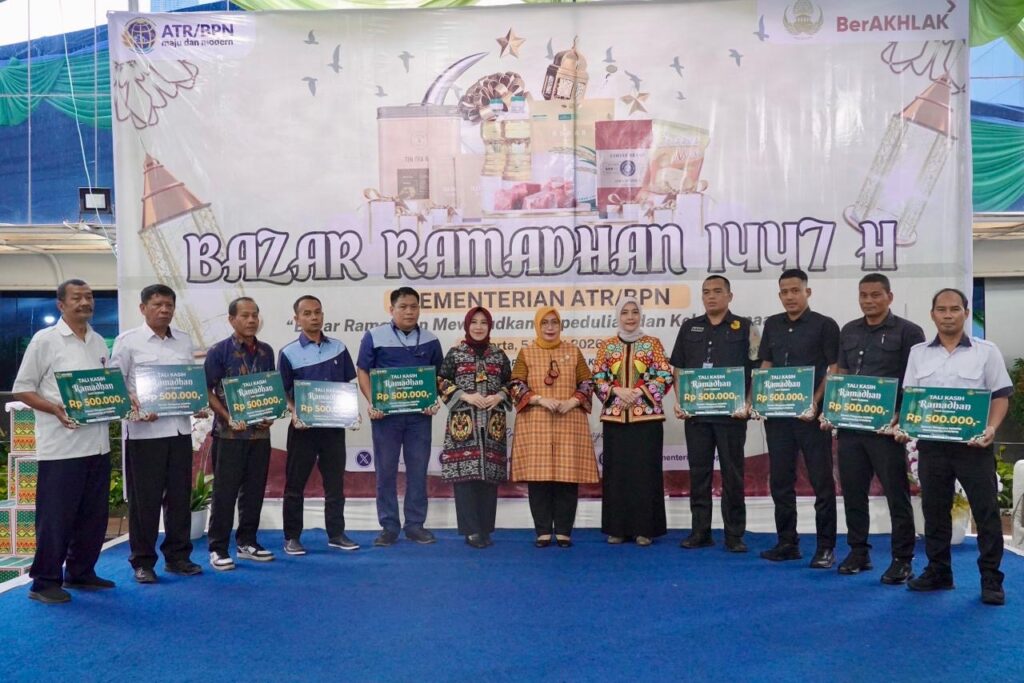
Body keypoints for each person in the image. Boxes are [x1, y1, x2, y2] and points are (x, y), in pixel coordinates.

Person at [898, 288, 1013, 606]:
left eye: (954, 309)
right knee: (934, 512)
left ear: (965, 312)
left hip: (973, 447)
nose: (948, 315)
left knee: (986, 512)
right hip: (932, 446)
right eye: (941, 309)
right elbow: (912, 400)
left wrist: (991, 428)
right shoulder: (919, 353)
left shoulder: (986, 351)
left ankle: (991, 579)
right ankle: (939, 572)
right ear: (932, 314)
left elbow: (1001, 397)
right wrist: (905, 427)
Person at [12, 279, 116, 604]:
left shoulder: (98, 341)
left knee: (92, 517)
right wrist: (55, 409)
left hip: (98, 445)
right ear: (61, 305)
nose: (85, 302)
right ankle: (43, 582)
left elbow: (104, 388)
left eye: (89, 297)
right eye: (76, 298)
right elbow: (22, 388)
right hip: (61, 448)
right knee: (55, 519)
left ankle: (81, 572)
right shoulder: (45, 340)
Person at [820, 274, 924, 583]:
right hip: (851, 428)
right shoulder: (849, 330)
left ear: (889, 297)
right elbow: (842, 373)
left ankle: (902, 559)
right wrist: (832, 410)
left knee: (896, 495)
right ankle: (858, 552)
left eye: (876, 295)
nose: (869, 300)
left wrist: (901, 416)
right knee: (853, 494)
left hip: (887, 430)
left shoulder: (908, 332)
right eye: (863, 295)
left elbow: (915, 380)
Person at [110, 284, 204, 584]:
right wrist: (134, 404)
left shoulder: (183, 340)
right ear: (143, 308)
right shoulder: (128, 341)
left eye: (169, 305)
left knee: (179, 498)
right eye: (157, 304)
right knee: (145, 502)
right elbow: (116, 385)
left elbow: (188, 383)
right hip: (144, 434)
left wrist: (197, 403)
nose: (164, 310)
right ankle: (143, 562)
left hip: (179, 430)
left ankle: (178, 557)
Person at [757, 268, 840, 568]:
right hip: (778, 417)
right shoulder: (772, 324)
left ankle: (826, 547)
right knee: (781, 480)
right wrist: (759, 399)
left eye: (796, 290)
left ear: (808, 292)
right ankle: (787, 542)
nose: (790, 296)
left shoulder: (825, 325)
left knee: (821, 482)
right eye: (785, 292)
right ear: (779, 295)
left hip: (811, 418)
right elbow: (766, 364)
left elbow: (834, 369)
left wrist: (814, 402)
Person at [669, 276, 758, 552]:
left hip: (732, 417)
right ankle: (700, 532)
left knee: (733, 475)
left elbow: (758, 370)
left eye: (718, 291)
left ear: (730, 296)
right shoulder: (689, 327)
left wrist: (748, 403)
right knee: (699, 474)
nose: (711, 296)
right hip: (697, 417)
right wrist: (681, 401)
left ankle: (734, 535)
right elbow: (679, 369)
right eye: (706, 292)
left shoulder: (745, 327)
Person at [356, 287, 444, 547]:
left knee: (418, 471)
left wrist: (433, 400)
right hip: (386, 418)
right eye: (403, 307)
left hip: (419, 418)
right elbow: (363, 371)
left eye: (414, 307)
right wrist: (373, 402)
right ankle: (389, 526)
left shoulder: (430, 339)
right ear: (391, 309)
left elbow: (438, 376)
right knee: (386, 472)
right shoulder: (374, 336)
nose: (409, 312)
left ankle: (415, 525)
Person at [509, 306, 599, 548]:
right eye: (545, 323)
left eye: (554, 322)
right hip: (536, 420)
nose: (550, 327)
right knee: (538, 479)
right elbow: (515, 384)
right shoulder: (527, 352)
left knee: (567, 477)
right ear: (537, 326)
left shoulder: (573, 351)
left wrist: (573, 401)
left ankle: (564, 531)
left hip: (569, 419)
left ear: (560, 326)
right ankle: (542, 531)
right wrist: (538, 399)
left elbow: (587, 382)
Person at [279, 295, 359, 555]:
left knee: (335, 484)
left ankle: (336, 534)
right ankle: (292, 537)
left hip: (333, 429)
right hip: (303, 430)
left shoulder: (339, 348)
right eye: (307, 313)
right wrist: (294, 412)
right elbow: (283, 392)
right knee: (295, 485)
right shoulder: (288, 353)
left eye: (317, 312)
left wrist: (352, 413)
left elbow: (347, 387)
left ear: (323, 315)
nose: (314, 317)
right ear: (297, 319)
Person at [203, 297, 278, 571]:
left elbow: (269, 390)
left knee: (254, 491)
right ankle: (218, 548)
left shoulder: (267, 351)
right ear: (231, 319)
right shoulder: (219, 351)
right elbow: (206, 390)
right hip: (229, 435)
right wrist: (228, 416)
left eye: (254, 315)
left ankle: (247, 542)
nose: (251, 320)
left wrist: (271, 414)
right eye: (245, 315)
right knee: (225, 493)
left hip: (260, 436)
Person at [593, 297, 674, 546]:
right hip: (616, 419)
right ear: (618, 315)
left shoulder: (652, 344)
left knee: (644, 473)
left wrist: (638, 392)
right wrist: (617, 391)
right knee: (617, 474)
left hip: (646, 420)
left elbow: (664, 374)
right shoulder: (607, 346)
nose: (630, 317)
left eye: (634, 312)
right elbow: (597, 377)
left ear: (640, 315)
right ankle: (617, 528)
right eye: (625, 312)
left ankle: (644, 529)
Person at [437, 306, 512, 548]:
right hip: (464, 424)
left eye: (483, 322)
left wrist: (499, 396)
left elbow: (511, 383)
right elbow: (440, 380)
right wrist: (465, 395)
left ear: (490, 326)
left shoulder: (498, 355)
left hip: (492, 424)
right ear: (467, 325)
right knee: (466, 480)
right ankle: (471, 531)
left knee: (489, 478)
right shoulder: (456, 354)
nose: (479, 327)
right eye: (474, 322)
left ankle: (485, 529)